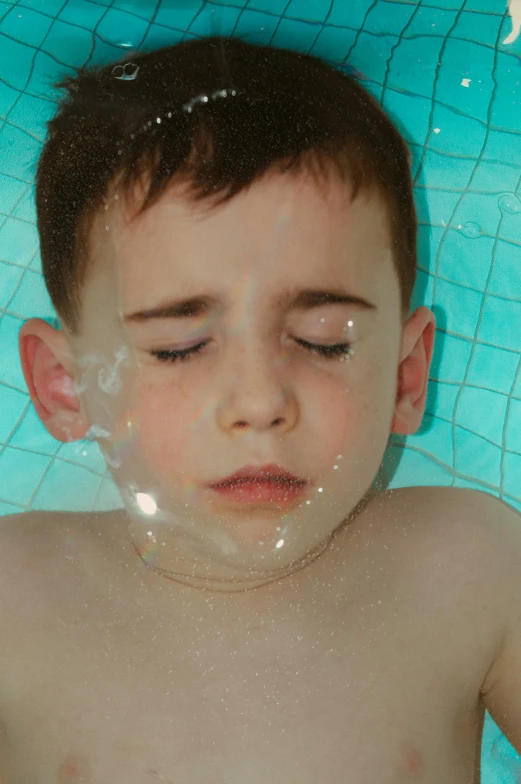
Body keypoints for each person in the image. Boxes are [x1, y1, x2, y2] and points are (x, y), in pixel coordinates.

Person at [2, 34, 520, 782]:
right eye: (180, 346)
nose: (259, 403)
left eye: (322, 341)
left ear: (407, 376)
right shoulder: (15, 598)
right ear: (64, 386)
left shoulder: (464, 567)